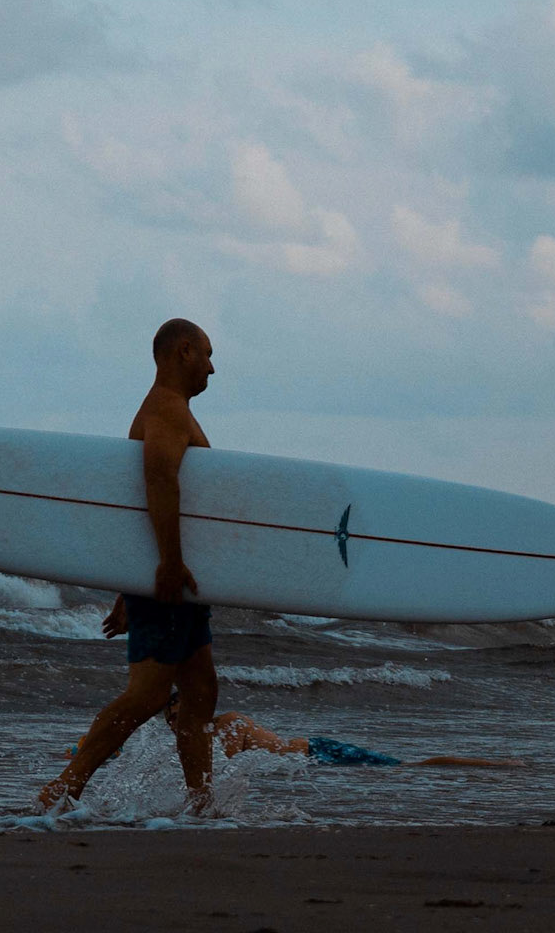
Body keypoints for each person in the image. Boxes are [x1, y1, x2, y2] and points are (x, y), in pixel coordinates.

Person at [37, 318, 218, 812]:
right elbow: (158, 481)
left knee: (201, 691)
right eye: (207, 354)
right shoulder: (166, 408)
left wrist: (130, 578)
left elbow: (135, 508)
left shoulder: (171, 409)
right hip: (173, 574)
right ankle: (63, 788)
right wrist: (168, 564)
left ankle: (201, 802)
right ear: (184, 351)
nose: (212, 368)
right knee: (148, 695)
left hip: (176, 575)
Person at [199, 708, 524, 770]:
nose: (175, 723)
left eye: (177, 714)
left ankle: (495, 764)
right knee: (404, 767)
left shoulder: (227, 721)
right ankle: (494, 763)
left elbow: (227, 762)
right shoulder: (219, 727)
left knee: (408, 767)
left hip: (317, 750)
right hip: (315, 757)